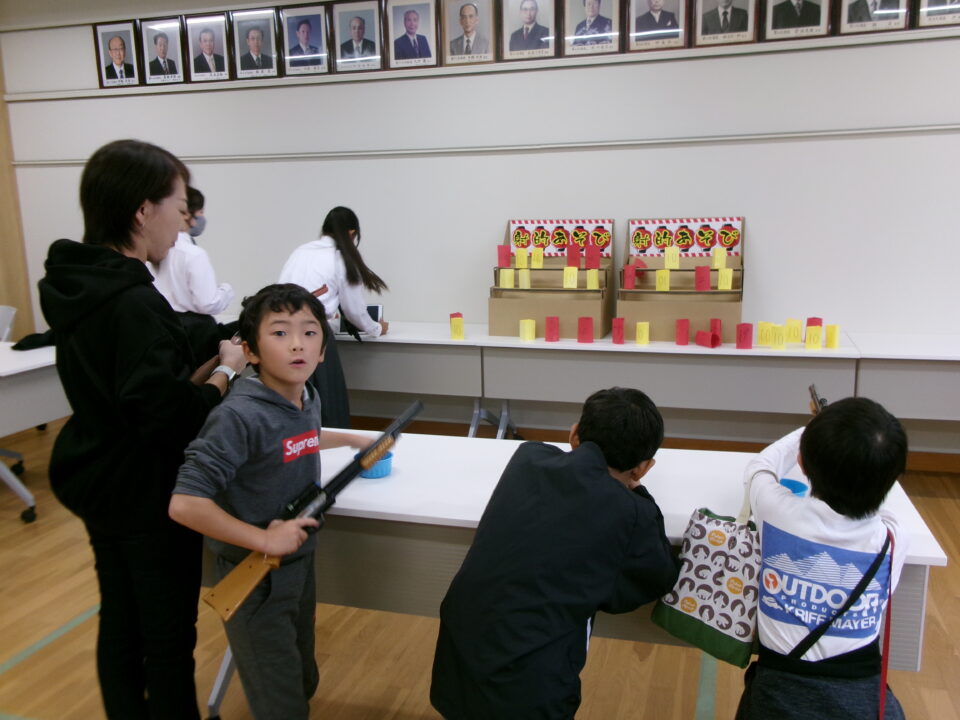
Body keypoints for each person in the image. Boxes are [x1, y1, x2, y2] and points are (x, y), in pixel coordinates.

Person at [37, 139, 246, 719]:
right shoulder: (130, 301)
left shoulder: (86, 285)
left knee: (122, 622)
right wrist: (226, 373)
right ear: (142, 211)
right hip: (142, 490)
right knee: (166, 637)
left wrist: (216, 346)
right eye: (179, 208)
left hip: (96, 474)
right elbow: (170, 415)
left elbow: (159, 354)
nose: (184, 224)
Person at [170, 283, 372, 720]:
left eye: (310, 332)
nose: (298, 344)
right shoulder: (237, 416)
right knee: (279, 699)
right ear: (250, 351)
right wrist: (263, 539)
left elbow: (296, 438)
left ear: (323, 350)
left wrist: (350, 438)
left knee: (302, 677)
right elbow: (184, 503)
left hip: (297, 565)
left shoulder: (305, 396)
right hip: (254, 575)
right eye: (280, 333)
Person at [430, 387, 679, 719]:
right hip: (529, 687)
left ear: (574, 435)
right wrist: (642, 497)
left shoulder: (527, 458)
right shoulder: (631, 512)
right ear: (643, 467)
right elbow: (655, 578)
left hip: (456, 660)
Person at [734, 397, 908, 720]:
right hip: (860, 703)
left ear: (801, 462)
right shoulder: (892, 538)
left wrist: (811, 428)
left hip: (775, 701)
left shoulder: (775, 511)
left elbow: (760, 467)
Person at [278, 206, 388, 428]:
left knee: (290, 400)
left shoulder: (301, 251)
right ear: (351, 233)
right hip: (313, 334)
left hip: (281, 335)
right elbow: (354, 311)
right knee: (326, 402)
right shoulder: (341, 258)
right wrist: (376, 328)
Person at [152, 186, 235, 361]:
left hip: (162, 325)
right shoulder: (193, 254)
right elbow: (207, 303)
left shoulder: (151, 249)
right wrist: (226, 290)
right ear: (186, 214)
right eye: (200, 212)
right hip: (195, 332)